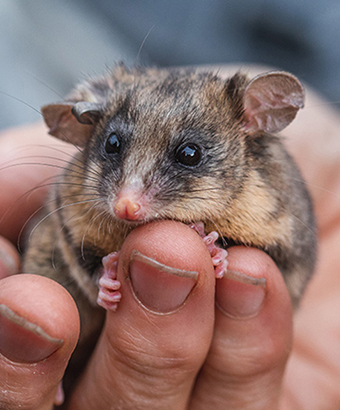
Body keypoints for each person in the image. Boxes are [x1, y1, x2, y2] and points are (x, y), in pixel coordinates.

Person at [1, 65, 340, 409]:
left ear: (251, 121)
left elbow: (286, 263)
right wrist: (100, 276)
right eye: (115, 146)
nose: (127, 202)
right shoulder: (83, 185)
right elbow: (74, 237)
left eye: (187, 157)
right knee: (46, 271)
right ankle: (63, 368)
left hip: (215, 350)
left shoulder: (268, 189)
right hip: (78, 336)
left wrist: (227, 248)